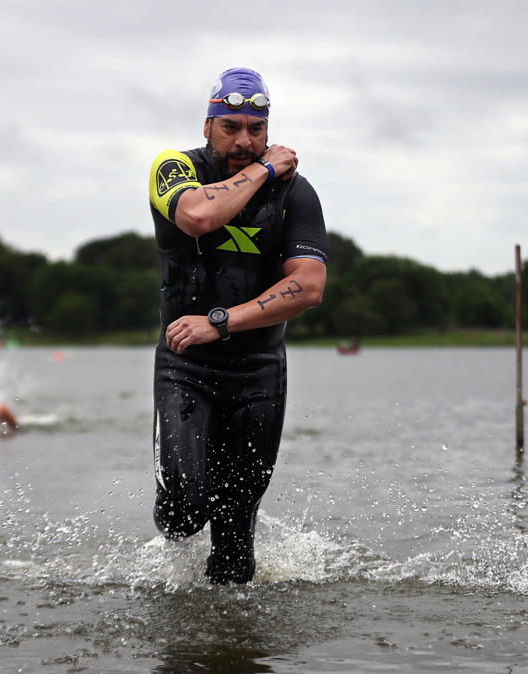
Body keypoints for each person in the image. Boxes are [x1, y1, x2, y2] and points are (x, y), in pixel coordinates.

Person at [148, 67, 328, 584]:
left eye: (256, 129)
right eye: (230, 127)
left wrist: (221, 322)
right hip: (186, 367)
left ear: (268, 131)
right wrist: (265, 173)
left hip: (258, 373)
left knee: (234, 544)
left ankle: (233, 649)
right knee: (184, 510)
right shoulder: (174, 167)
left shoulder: (297, 195)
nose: (244, 140)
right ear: (207, 126)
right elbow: (198, 218)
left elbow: (310, 286)